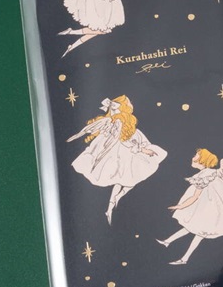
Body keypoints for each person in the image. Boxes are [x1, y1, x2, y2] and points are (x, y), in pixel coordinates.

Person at [68, 96, 167, 224]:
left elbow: (124, 138)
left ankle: (113, 203)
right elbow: (120, 139)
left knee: (126, 177)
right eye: (112, 104)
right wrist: (142, 150)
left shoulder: (121, 120)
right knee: (124, 176)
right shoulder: (113, 120)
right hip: (119, 149)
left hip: (125, 145)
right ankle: (112, 203)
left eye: (116, 105)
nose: (112, 106)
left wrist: (141, 149)